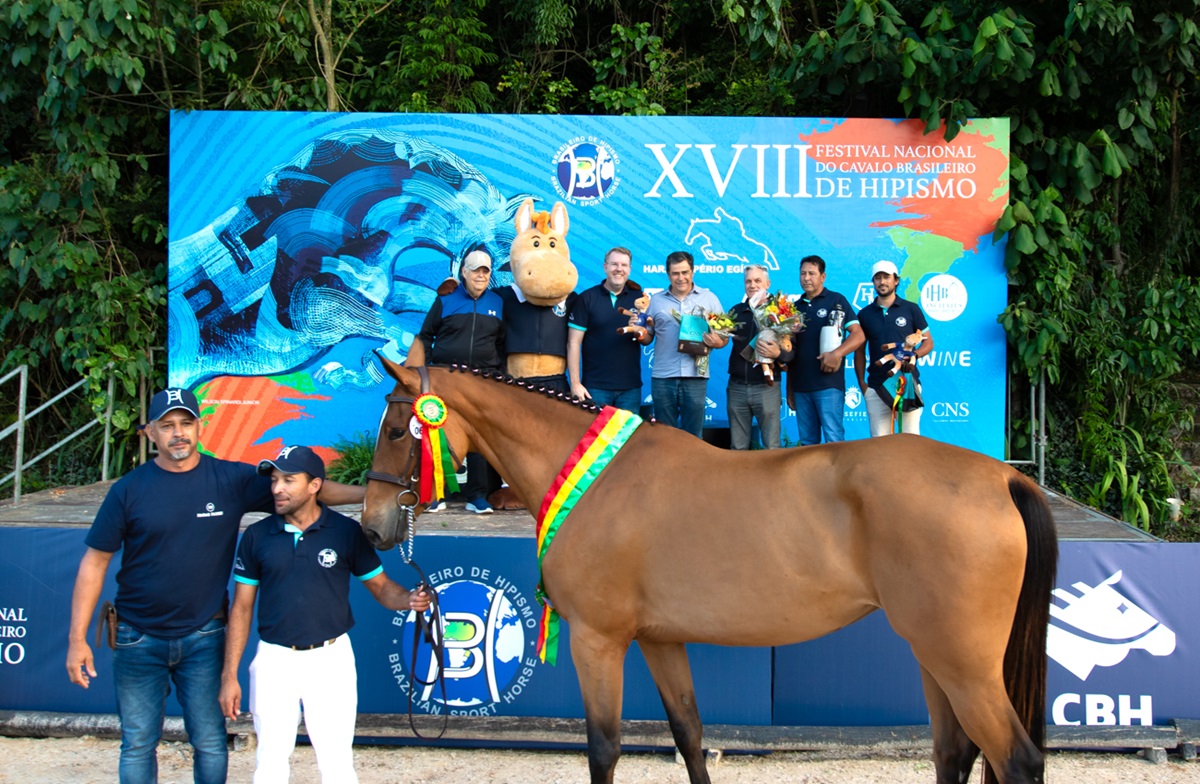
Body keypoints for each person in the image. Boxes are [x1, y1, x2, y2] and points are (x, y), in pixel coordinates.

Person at [66, 388, 365, 784]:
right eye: (167, 425)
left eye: (186, 423)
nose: (178, 433)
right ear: (150, 432)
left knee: (209, 741)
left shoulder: (229, 479)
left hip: (204, 636)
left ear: (199, 427)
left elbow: (306, 489)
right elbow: (95, 561)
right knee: (137, 742)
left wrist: (372, 496)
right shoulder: (129, 489)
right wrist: (77, 639)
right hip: (137, 636)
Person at [218, 446, 431, 784]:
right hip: (274, 659)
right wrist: (230, 675)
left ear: (315, 485)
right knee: (270, 762)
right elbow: (241, 608)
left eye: (289, 480)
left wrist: (409, 599)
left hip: (331, 660)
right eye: (274, 480)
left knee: (337, 764)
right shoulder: (257, 536)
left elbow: (381, 587)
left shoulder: (345, 532)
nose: (277, 489)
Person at [407, 249, 505, 514]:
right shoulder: (446, 301)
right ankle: (437, 494)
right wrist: (428, 372)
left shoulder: (498, 302)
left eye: (485, 271)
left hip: (481, 385)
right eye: (476, 270)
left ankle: (477, 496)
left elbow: (501, 343)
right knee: (440, 437)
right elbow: (426, 336)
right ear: (464, 272)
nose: (481, 276)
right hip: (446, 383)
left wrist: (499, 377)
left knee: (479, 439)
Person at [645, 251, 729, 437]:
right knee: (663, 436)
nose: (680, 278)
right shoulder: (656, 301)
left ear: (692, 272)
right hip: (663, 377)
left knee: (693, 436)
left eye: (685, 272)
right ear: (668, 274)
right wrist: (639, 331)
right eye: (675, 273)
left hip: (695, 377)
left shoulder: (709, 299)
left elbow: (724, 337)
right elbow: (647, 337)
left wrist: (718, 341)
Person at [784, 255, 865, 445]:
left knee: (834, 440)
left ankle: (838, 477)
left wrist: (837, 354)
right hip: (801, 388)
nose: (806, 278)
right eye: (803, 273)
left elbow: (858, 335)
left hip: (828, 385)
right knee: (807, 443)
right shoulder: (793, 309)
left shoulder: (836, 300)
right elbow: (790, 353)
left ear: (823, 277)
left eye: (812, 273)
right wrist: (789, 389)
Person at [854, 260, 934, 436]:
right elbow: (859, 351)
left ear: (896, 280)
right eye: (878, 278)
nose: (882, 282)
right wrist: (862, 384)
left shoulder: (911, 309)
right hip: (876, 386)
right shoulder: (865, 314)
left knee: (910, 442)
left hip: (908, 384)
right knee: (879, 446)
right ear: (873, 282)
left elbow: (928, 342)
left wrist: (914, 355)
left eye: (886, 277)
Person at [566, 247, 651, 412]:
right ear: (605, 267)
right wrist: (575, 383)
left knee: (627, 438)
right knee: (596, 438)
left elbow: (647, 340)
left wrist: (639, 331)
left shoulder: (639, 298)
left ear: (629, 270)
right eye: (614, 264)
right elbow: (573, 343)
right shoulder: (587, 298)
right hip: (595, 389)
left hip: (630, 389)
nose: (619, 269)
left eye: (624, 265)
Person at [726, 265, 793, 449]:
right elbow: (721, 338)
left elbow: (792, 351)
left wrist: (778, 353)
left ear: (768, 283)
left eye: (757, 281)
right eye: (748, 281)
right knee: (738, 448)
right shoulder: (737, 311)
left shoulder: (781, 313)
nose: (752, 285)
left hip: (767, 388)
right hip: (737, 387)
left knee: (772, 447)